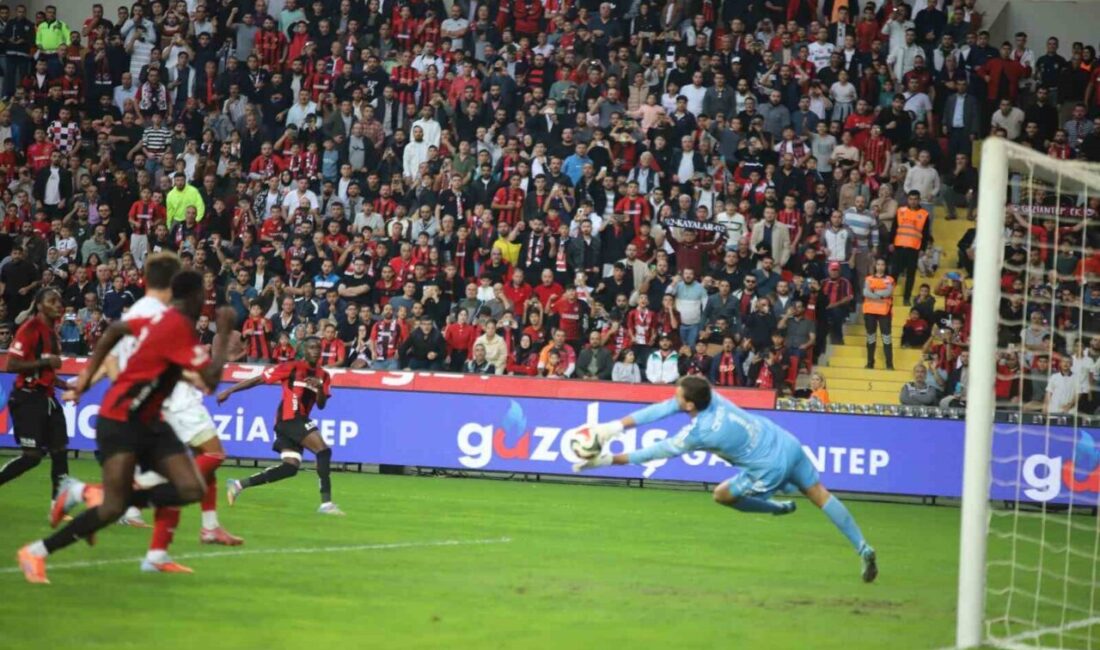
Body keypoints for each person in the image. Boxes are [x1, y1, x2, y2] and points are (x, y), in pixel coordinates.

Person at [18, 271, 234, 584]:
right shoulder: (177, 327)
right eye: (204, 295)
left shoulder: (159, 320)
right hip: (121, 418)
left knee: (190, 488)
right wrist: (224, 335)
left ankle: (89, 493)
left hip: (152, 421)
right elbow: (210, 382)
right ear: (196, 297)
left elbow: (115, 331)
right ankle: (37, 551)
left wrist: (84, 379)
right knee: (113, 508)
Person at [572, 376, 877, 582]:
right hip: (784, 441)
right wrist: (616, 426)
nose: (674, 399)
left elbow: (658, 450)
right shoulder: (712, 397)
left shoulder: (700, 432)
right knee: (820, 494)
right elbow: (665, 408)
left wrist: (610, 459)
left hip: (767, 467)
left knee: (723, 495)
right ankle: (863, 547)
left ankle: (778, 507)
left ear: (690, 405)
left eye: (679, 396)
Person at [95, 252, 243, 573]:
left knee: (204, 463)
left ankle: (182, 541)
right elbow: (206, 377)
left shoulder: (144, 310)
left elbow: (116, 353)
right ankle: (112, 492)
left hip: (167, 393)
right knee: (212, 456)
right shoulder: (161, 312)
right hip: (175, 397)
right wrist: (221, 339)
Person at [216, 338, 343, 515]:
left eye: (318, 348)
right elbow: (259, 380)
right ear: (304, 351)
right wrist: (230, 390)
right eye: (311, 348)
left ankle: (237, 485)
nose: (315, 351)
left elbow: (321, 405)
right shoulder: (292, 367)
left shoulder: (324, 376)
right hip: (289, 419)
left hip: (298, 420)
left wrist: (320, 388)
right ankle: (326, 504)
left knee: (290, 467)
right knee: (323, 451)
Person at [0, 288, 68, 504]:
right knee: (32, 457)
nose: (58, 304)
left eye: (59, 301)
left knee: (60, 450)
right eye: (52, 301)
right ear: (39, 306)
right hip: (27, 398)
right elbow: (11, 365)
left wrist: (65, 385)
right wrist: (45, 362)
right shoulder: (30, 329)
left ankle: (58, 505)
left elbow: (46, 372)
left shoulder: (53, 333)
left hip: (46, 397)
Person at [861, 258, 895, 370]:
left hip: (884, 312)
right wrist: (880, 295)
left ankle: (889, 364)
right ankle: (870, 363)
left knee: (886, 338)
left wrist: (873, 292)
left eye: (882, 264)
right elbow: (865, 292)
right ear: (875, 266)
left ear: (885, 266)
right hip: (869, 311)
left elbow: (888, 292)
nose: (880, 266)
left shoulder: (889, 279)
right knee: (871, 337)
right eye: (878, 264)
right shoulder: (868, 278)